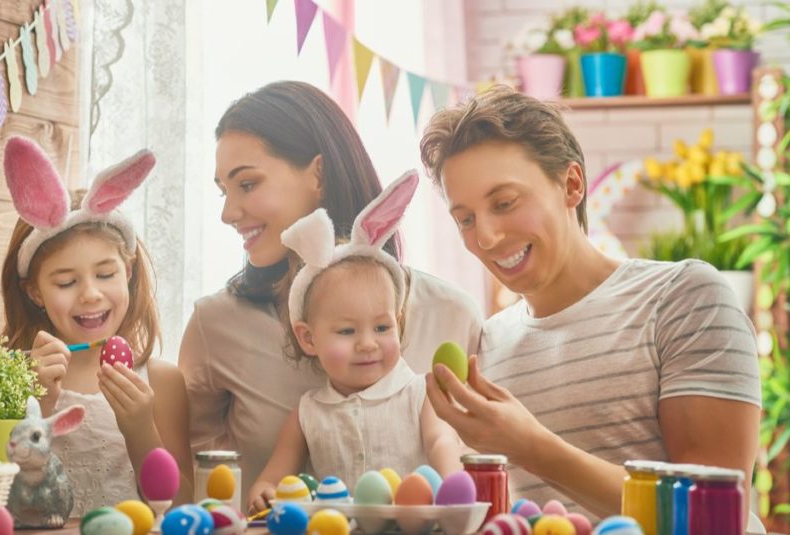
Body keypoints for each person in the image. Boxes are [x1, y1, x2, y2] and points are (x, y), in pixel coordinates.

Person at [418, 86, 761, 520]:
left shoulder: (684, 298)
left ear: (572, 184)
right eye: (465, 219)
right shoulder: (486, 345)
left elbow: (708, 514)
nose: (485, 237)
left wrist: (530, 446)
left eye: (504, 203)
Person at [178, 81, 483, 501]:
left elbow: (487, 469)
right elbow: (194, 491)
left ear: (318, 174)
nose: (228, 213)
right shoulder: (215, 325)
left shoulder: (452, 313)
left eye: (246, 185)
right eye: (223, 191)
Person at [245, 172, 465, 513]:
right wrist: (264, 489)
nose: (367, 344)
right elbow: (275, 476)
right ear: (308, 338)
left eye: (381, 327)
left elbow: (441, 440)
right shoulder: (308, 412)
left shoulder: (421, 393)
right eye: (347, 332)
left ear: (399, 324)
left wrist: (451, 480)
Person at [0, 137, 193, 515]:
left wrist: (140, 430)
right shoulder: (13, 376)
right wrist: (34, 405)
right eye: (66, 283)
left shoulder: (162, 382)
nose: (90, 294)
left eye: (105, 274)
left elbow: (181, 510)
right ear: (35, 292)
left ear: (129, 271)